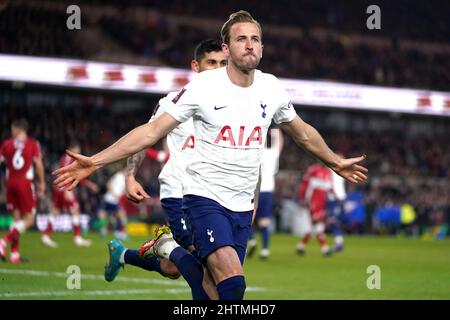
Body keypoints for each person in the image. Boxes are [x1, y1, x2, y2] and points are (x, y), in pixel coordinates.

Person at [53, 10, 368, 300]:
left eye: (255, 39)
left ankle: (162, 248)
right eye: (241, 38)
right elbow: (151, 132)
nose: (249, 45)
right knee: (234, 283)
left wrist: (334, 161)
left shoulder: (271, 88)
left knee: (210, 291)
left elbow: (301, 132)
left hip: (242, 206)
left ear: (262, 47)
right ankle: (166, 248)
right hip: (202, 199)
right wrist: (96, 161)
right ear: (227, 47)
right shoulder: (203, 87)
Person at [103, 39, 227, 299]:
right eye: (211, 63)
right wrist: (130, 176)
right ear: (196, 65)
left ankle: (129, 253)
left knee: (173, 269)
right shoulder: (174, 101)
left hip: (213, 196)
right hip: (179, 194)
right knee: (206, 269)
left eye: (223, 63)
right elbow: (145, 137)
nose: (218, 69)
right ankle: (166, 246)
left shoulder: (230, 107)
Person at [0, 119, 45, 263]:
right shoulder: (32, 144)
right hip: (24, 183)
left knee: (17, 219)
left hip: (10, 183)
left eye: (13, 129)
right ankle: (3, 241)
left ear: (18, 129)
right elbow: (38, 164)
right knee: (29, 219)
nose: (12, 132)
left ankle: (14, 255)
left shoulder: (7, 143)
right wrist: (42, 182)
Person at [42, 141, 98, 248]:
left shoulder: (65, 158)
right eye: (78, 150)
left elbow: (73, 175)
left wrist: (89, 184)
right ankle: (77, 238)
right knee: (75, 210)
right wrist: (67, 189)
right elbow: (67, 173)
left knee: (56, 211)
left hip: (60, 188)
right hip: (64, 188)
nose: (79, 152)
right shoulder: (70, 159)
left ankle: (46, 236)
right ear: (73, 149)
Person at [246, 127, 283, 260]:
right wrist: (277, 134)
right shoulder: (272, 153)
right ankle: (265, 250)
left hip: (253, 189)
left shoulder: (253, 153)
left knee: (248, 219)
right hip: (267, 191)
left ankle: (252, 240)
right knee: (264, 222)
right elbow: (279, 145)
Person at [296, 162, 346, 256]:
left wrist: (336, 197)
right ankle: (325, 250)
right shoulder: (313, 170)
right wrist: (302, 199)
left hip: (322, 203)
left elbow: (331, 188)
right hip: (313, 202)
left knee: (313, 226)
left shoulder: (328, 172)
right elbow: (305, 185)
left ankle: (301, 247)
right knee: (318, 226)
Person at [97, 167, 128, 240]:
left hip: (115, 200)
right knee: (119, 214)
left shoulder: (125, 179)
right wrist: (114, 194)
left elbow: (123, 190)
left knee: (118, 215)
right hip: (110, 198)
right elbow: (109, 184)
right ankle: (119, 232)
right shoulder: (118, 176)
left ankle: (118, 232)